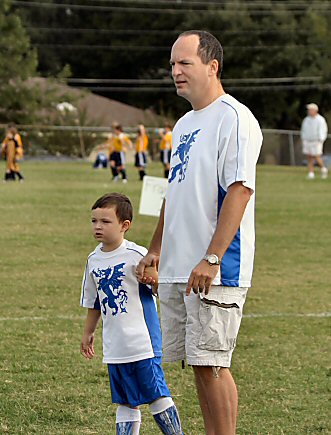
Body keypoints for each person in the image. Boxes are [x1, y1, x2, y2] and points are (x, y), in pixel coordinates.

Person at [136, 30, 263, 435]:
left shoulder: (235, 118)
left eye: (184, 63)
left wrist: (212, 257)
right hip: (180, 264)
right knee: (198, 361)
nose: (175, 71)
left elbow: (240, 190)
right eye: (172, 64)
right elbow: (174, 191)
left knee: (213, 363)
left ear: (212, 66)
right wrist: (156, 250)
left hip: (216, 266)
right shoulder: (185, 122)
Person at [80, 193, 183, 435]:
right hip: (115, 345)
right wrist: (88, 332)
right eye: (94, 221)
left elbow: (159, 287)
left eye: (105, 222)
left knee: (156, 394)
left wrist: (152, 279)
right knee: (125, 400)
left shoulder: (138, 255)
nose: (97, 226)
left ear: (124, 225)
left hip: (143, 342)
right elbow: (94, 300)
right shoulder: (93, 260)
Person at [300, 103, 328, 179]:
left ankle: (323, 169)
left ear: (315, 110)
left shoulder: (320, 120)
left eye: (310, 110)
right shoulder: (306, 119)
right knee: (309, 157)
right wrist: (304, 138)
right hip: (308, 141)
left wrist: (321, 139)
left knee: (316, 156)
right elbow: (303, 130)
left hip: (316, 141)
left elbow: (323, 130)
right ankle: (311, 173)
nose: (309, 111)